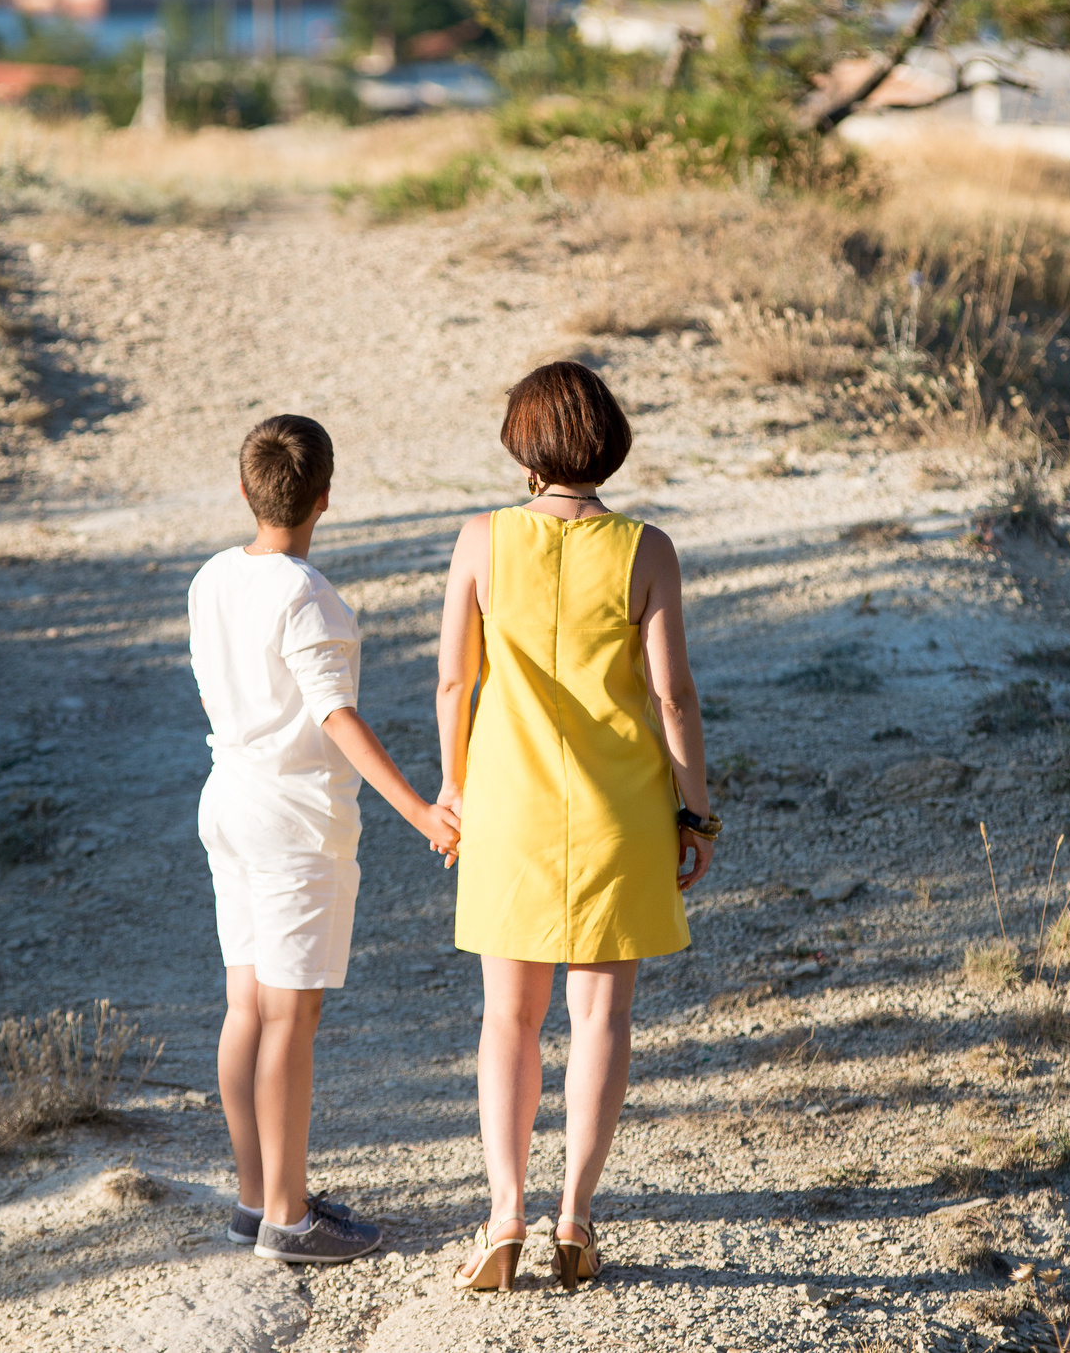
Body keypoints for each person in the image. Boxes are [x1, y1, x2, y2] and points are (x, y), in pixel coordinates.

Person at [433, 362, 720, 1291]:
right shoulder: (648, 549)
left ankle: (504, 1217)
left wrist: (452, 787)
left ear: (525, 446)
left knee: (507, 1021)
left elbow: (453, 682)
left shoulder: (480, 541)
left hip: (508, 810)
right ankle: (576, 1218)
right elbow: (672, 698)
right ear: (608, 441)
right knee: (602, 1018)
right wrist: (698, 811)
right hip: (620, 814)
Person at [190, 414, 460, 1264]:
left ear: (245, 489)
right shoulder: (310, 598)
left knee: (246, 1007)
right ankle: (289, 1217)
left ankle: (253, 1197)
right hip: (293, 822)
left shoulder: (211, 577)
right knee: (291, 1019)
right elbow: (334, 716)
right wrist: (422, 810)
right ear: (326, 498)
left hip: (227, 804)